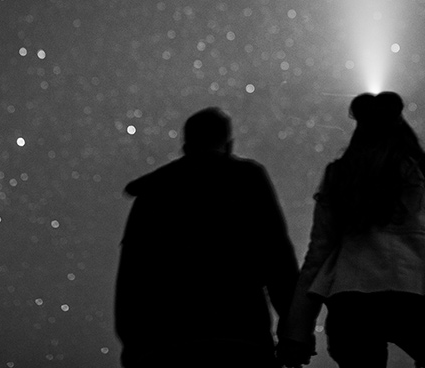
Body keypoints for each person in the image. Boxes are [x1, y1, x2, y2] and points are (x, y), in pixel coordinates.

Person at [277, 92, 425, 367]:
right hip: (415, 300)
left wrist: (297, 333)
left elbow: (316, 257)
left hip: (349, 305)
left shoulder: (339, 175)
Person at [115, 106, 299, 367]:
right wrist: (294, 330)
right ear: (229, 143)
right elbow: (277, 257)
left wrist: (134, 346)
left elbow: (132, 276)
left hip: (165, 344)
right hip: (241, 335)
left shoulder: (152, 192)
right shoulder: (247, 179)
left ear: (185, 145)